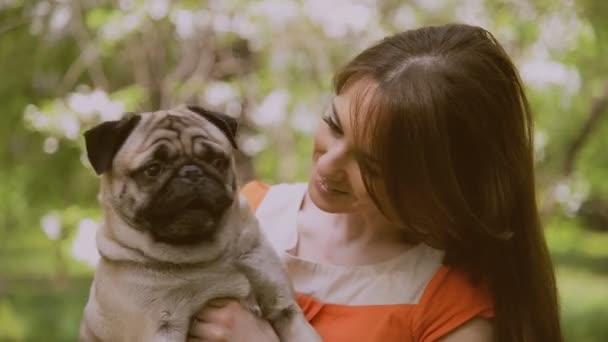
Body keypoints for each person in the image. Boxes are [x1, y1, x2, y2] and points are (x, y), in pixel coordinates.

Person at [187, 23, 564, 342]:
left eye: (370, 164)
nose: (329, 165)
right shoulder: (249, 212)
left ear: (435, 185)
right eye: (333, 125)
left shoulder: (449, 310)